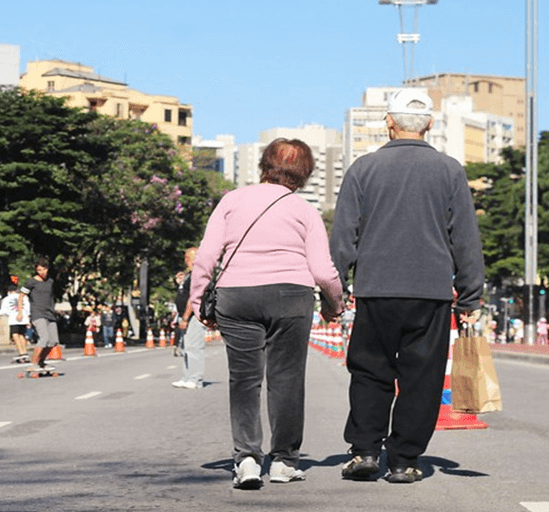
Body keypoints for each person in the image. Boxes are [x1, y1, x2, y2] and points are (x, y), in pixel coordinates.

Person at [330, 88, 485, 485]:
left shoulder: (363, 169)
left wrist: (333, 288)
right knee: (422, 377)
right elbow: (465, 237)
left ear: (389, 122)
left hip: (375, 288)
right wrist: (470, 294)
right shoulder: (450, 171)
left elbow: (344, 237)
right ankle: (403, 459)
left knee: (369, 369)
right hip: (430, 291)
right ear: (430, 125)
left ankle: (365, 451)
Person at [190, 138, 343, 490]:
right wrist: (335, 305)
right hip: (291, 298)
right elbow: (322, 269)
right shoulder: (304, 210)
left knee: (244, 380)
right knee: (286, 380)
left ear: (263, 165)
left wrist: (199, 301)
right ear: (304, 174)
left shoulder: (231, 200)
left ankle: (246, 459)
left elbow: (205, 257)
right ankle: (284, 462)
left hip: (237, 296)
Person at [174, 247, 207, 390]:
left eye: (189, 257)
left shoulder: (198, 274)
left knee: (194, 347)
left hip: (194, 316)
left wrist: (186, 317)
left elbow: (193, 298)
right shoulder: (188, 275)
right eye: (186, 257)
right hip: (185, 315)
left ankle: (196, 379)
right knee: (187, 347)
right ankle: (187, 376)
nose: (186, 260)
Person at [18, 257, 59, 370]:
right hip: (37, 313)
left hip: (50, 313)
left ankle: (41, 362)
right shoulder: (32, 282)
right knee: (44, 338)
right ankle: (33, 364)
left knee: (53, 341)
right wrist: (20, 312)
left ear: (47, 269)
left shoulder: (50, 281)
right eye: (39, 270)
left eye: (44, 269)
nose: (42, 272)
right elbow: (21, 296)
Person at [0, 284, 30, 361]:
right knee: (22, 335)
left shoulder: (6, 299)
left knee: (15, 335)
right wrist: (27, 316)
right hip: (23, 318)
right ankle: (25, 351)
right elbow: (28, 307)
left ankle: (21, 352)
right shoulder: (24, 297)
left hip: (13, 319)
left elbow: (4, 311)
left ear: (8, 291)